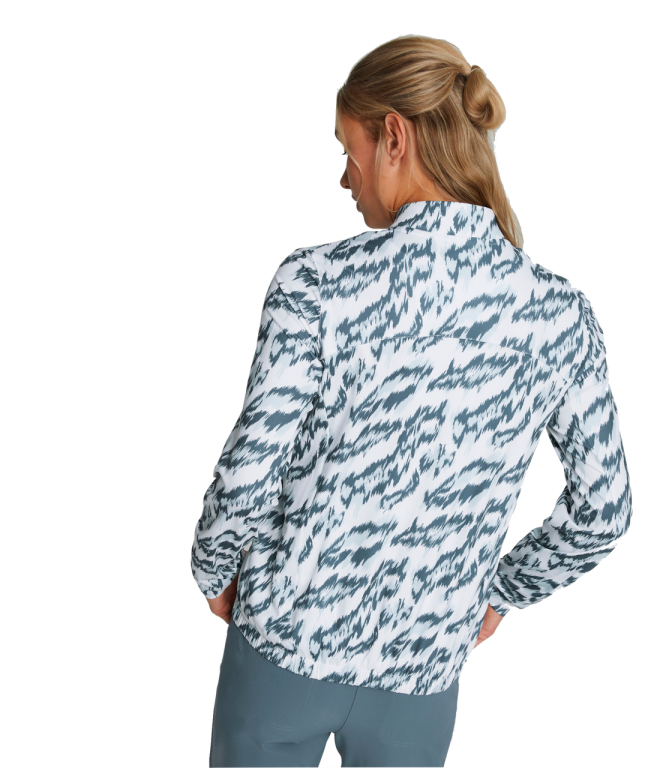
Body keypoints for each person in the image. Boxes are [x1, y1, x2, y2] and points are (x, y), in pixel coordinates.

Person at [199, 34, 632, 768]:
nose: (346, 177)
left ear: (393, 137)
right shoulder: (559, 315)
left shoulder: (313, 284)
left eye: (350, 150)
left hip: (284, 648)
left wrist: (213, 570)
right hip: (423, 668)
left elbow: (249, 469)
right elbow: (605, 516)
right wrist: (496, 592)